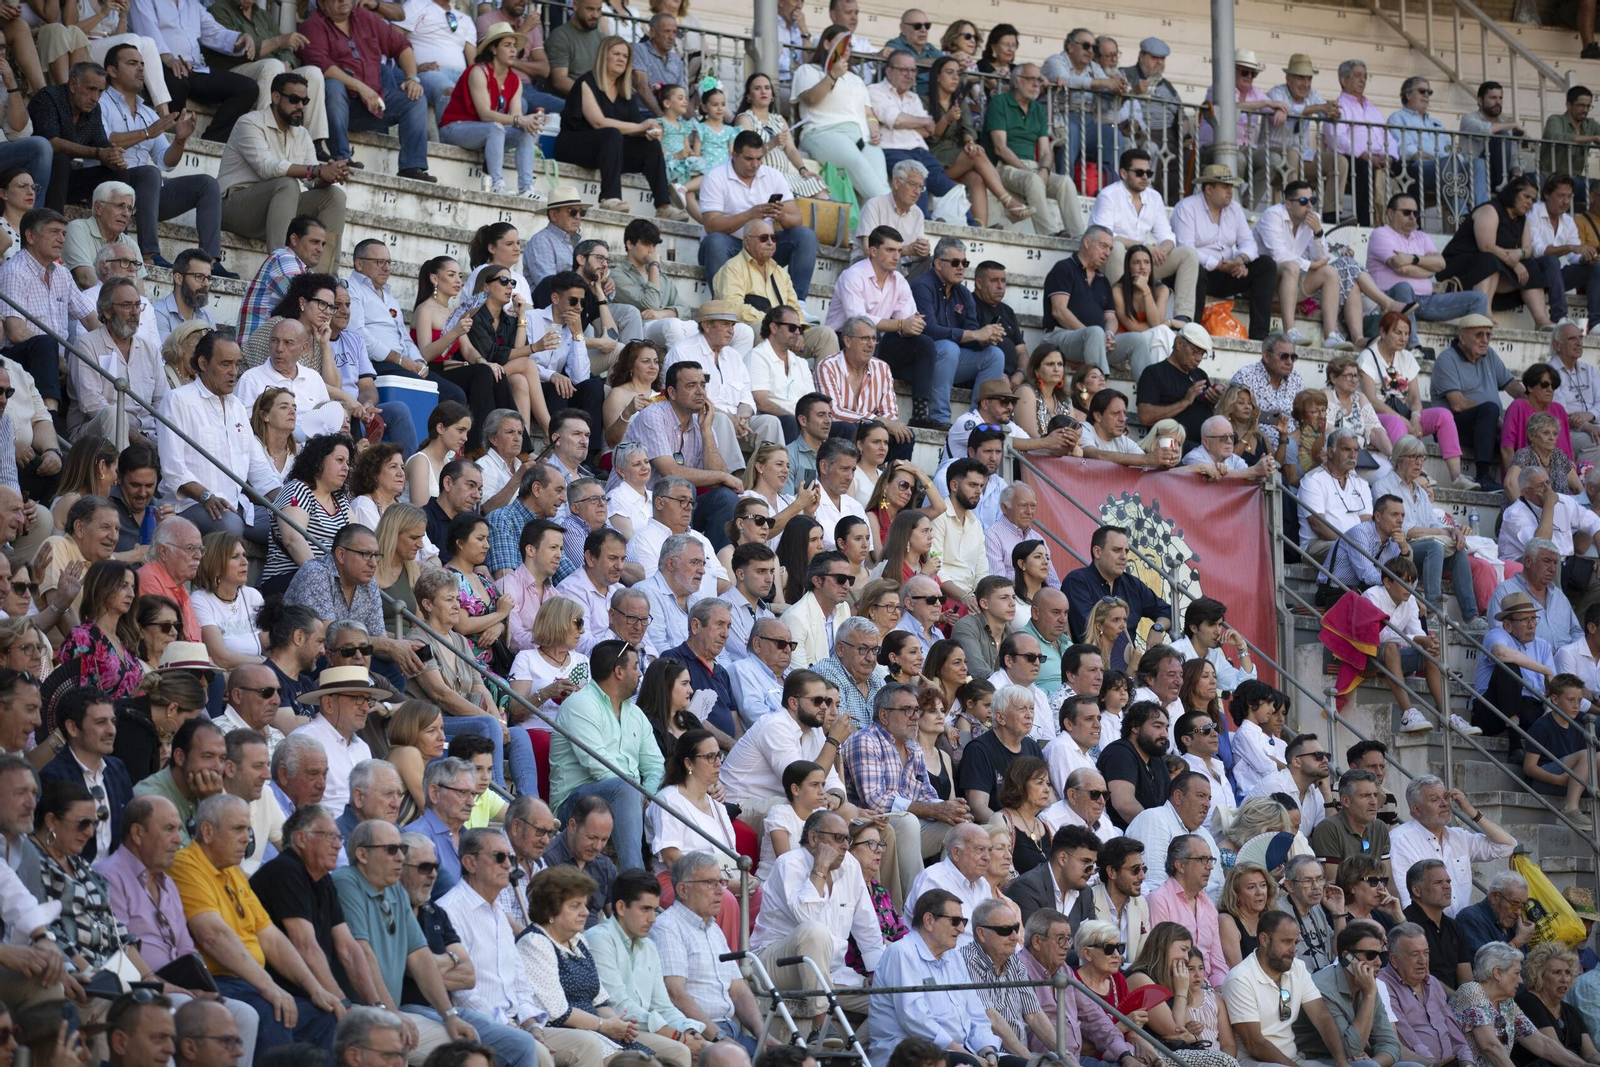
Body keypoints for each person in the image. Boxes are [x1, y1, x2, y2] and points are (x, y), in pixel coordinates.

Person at [169, 793, 339, 1054]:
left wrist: (315, 988)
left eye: (248, 829)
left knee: (325, 1015)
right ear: (207, 831)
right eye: (238, 829)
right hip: (217, 981)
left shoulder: (234, 873)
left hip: (250, 982)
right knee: (275, 1012)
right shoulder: (186, 865)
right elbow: (213, 936)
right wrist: (269, 987)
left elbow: (271, 938)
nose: (247, 838)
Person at [868, 888, 1006, 1067]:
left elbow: (976, 1013)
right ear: (929, 921)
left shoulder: (954, 956)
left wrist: (988, 1052)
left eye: (963, 921)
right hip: (910, 1057)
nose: (962, 929)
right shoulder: (902, 953)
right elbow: (915, 1020)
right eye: (955, 921)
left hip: (959, 1050)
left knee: (1023, 1064)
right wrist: (966, 1055)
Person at [554, 35, 682, 219]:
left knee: (650, 146)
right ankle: (609, 198)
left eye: (625, 56)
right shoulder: (586, 82)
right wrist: (640, 127)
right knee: (611, 134)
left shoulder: (626, 92)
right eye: (616, 54)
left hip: (608, 152)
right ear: (603, 56)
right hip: (574, 145)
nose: (621, 59)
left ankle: (663, 205)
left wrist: (651, 130)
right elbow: (598, 122)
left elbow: (638, 126)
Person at [1221, 909, 1354, 1067]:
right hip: (1255, 1062)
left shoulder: (1297, 967)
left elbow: (1322, 1017)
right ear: (1264, 939)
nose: (1293, 949)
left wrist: (1341, 1061)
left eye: (1295, 942)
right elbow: (1254, 1043)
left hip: (1293, 1059)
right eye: (1286, 941)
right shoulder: (1240, 979)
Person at [1171, 165, 1276, 341]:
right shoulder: (1186, 207)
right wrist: (1219, 265)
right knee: (1194, 267)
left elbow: (1249, 243)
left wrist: (1240, 260)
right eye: (1225, 187)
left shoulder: (1234, 208)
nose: (1230, 192)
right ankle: (1192, 333)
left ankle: (1260, 335)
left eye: (1231, 187)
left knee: (1266, 265)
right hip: (1196, 273)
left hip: (1228, 270)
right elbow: (1186, 248)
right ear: (1209, 189)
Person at [981, 61, 1082, 239]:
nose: (1036, 84)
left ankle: (1079, 236)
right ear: (1015, 81)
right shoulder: (1000, 103)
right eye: (1031, 79)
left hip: (1033, 168)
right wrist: (1029, 171)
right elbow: (1000, 148)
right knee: (1033, 180)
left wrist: (1044, 170)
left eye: (1039, 80)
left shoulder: (1037, 109)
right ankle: (1050, 234)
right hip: (1003, 167)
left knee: (1065, 182)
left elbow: (1045, 151)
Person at [1390, 776, 1515, 916]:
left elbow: (1507, 846)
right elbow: (1405, 898)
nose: (1444, 804)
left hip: (1460, 930)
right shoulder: (1401, 839)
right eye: (1434, 799)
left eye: (1445, 797)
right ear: (1417, 809)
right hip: (1426, 929)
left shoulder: (1459, 836)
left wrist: (1470, 811)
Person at [1452, 942, 1587, 1067]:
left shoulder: (1507, 1003)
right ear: (1497, 973)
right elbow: (1490, 1046)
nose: (1521, 981)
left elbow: (1543, 1044)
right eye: (1516, 973)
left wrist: (1584, 1066)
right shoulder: (1472, 991)